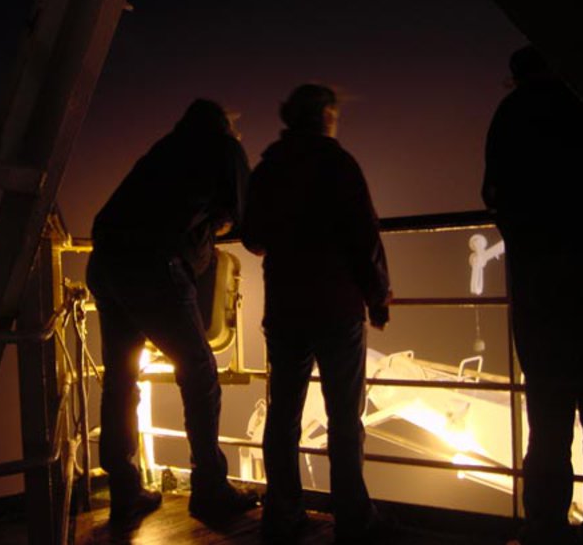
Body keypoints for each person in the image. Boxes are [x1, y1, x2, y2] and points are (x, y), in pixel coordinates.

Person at [482, 46, 583, 545]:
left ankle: (545, 527)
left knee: (549, 412)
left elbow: (496, 194)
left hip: (542, 276)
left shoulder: (511, 115)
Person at [86, 99, 257, 528]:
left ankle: (125, 491)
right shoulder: (223, 148)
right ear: (226, 126)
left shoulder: (168, 148)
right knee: (199, 371)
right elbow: (249, 223)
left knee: (121, 379)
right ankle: (210, 489)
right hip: (153, 264)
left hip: (106, 259)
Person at [242, 84, 391, 543]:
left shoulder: (269, 168)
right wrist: (378, 297)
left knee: (283, 413)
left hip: (285, 305)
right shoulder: (338, 164)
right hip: (335, 304)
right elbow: (364, 237)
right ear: (326, 115)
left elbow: (253, 237)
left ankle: (282, 513)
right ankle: (353, 518)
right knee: (345, 418)